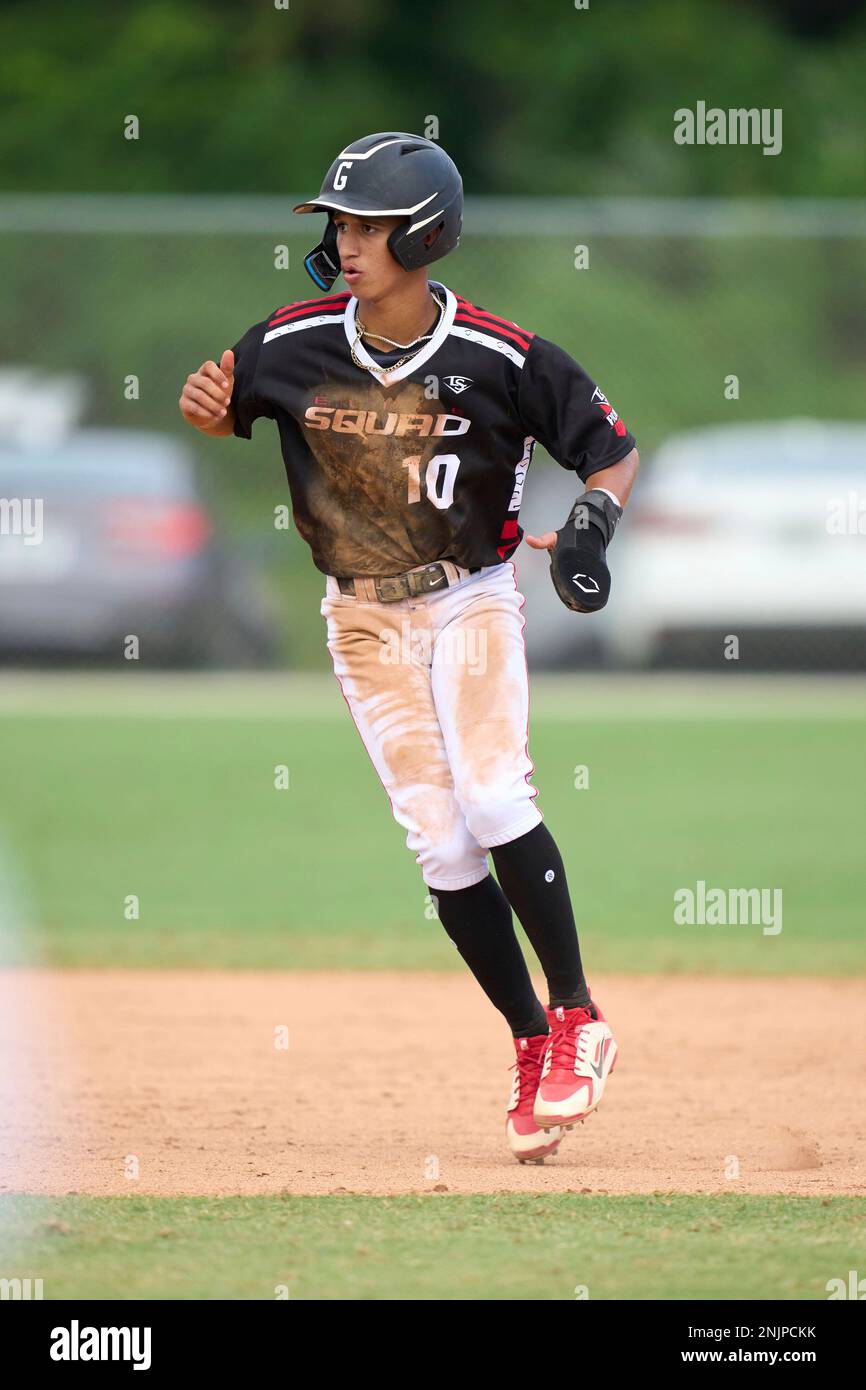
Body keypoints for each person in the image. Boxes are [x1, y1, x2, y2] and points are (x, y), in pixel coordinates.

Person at [179, 131, 639, 1164]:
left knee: (490, 794)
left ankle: (576, 1013)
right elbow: (227, 405)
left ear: (424, 233)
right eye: (340, 222)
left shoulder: (502, 357)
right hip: (359, 617)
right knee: (438, 844)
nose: (348, 242)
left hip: (467, 598)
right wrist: (207, 410)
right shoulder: (288, 344)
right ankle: (530, 1043)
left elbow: (609, 454)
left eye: (370, 225)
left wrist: (592, 530)